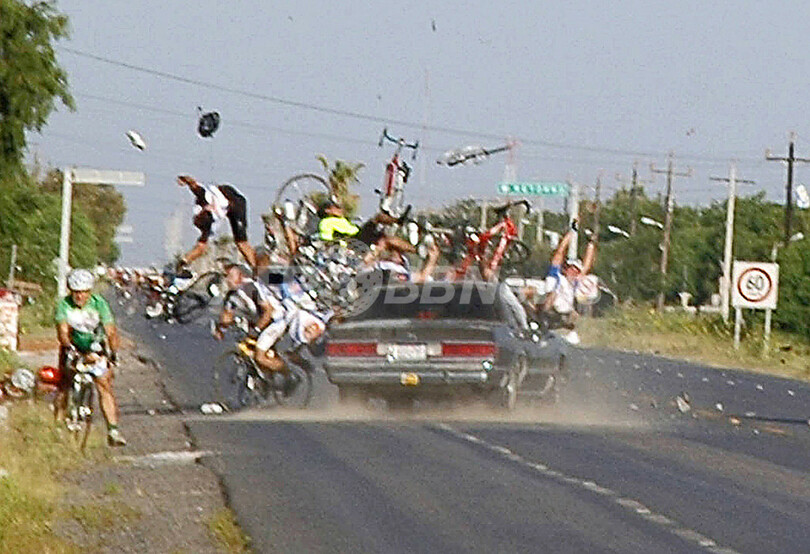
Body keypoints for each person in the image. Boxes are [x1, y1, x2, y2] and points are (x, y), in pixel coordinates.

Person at [55, 268, 126, 446]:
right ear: (71, 291)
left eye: (83, 292)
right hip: (73, 347)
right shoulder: (64, 305)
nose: (79, 297)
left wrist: (113, 353)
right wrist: (68, 347)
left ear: (89, 292)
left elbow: (110, 331)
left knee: (104, 386)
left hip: (96, 348)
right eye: (76, 292)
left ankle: (113, 431)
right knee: (64, 384)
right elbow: (62, 331)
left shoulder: (99, 304)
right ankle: (57, 426)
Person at [176, 175, 257, 271]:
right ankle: (256, 268)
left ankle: (257, 269)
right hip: (228, 207)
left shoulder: (202, 199)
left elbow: (194, 185)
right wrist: (184, 261)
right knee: (240, 244)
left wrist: (185, 180)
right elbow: (200, 248)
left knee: (241, 243)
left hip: (234, 202)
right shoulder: (208, 226)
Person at [213, 264, 281, 373]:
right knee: (247, 345)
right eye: (226, 277)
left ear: (240, 276)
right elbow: (227, 314)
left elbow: (268, 311)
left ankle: (288, 375)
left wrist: (257, 330)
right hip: (257, 321)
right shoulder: (232, 295)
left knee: (260, 356)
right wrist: (221, 329)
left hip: (275, 320)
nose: (227, 280)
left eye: (230, 276)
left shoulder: (251, 288)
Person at [541, 221, 597, 343]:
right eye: (570, 268)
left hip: (565, 315)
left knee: (575, 313)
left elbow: (587, 264)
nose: (573, 272)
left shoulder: (576, 282)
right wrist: (572, 231)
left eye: (576, 270)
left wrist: (591, 243)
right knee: (552, 294)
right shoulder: (556, 277)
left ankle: (569, 332)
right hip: (551, 311)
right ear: (566, 269)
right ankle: (543, 321)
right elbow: (560, 252)